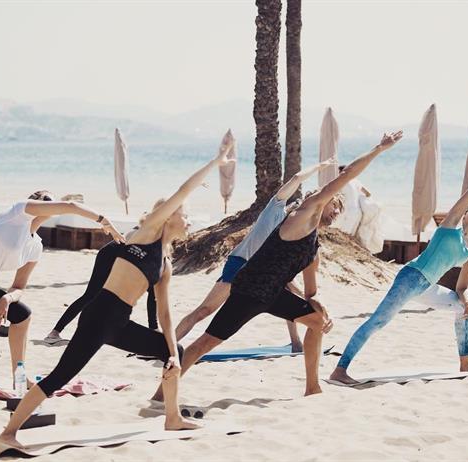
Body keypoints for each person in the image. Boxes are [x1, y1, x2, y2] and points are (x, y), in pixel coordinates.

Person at [0, 140, 234, 446]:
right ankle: (8, 432)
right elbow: (180, 193)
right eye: (184, 214)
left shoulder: (164, 264)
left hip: (120, 321)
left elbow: (164, 313)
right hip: (99, 314)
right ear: (169, 217)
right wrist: (215, 163)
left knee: (171, 354)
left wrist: (174, 352)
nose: (187, 220)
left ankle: (172, 418)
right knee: (61, 376)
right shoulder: (147, 233)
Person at [163, 130, 403, 399]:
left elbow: (311, 292)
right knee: (207, 342)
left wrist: (319, 306)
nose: (337, 212)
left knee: (316, 322)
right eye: (335, 205)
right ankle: (162, 392)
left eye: (340, 210)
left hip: (274, 295)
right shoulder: (304, 213)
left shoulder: (313, 249)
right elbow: (346, 177)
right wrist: (379, 149)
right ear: (320, 201)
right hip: (249, 290)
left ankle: (313, 387)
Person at [330, 155, 468, 385]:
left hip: (427, 286)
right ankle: (340, 369)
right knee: (379, 321)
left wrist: (467, 301)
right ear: (464, 215)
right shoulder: (448, 228)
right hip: (410, 277)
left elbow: (462, 286)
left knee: (460, 309)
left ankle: (465, 362)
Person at [0, 191, 123, 383]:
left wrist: (6, 298)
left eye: (52, 203)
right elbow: (71, 206)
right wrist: (104, 221)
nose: (50, 206)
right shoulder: (18, 212)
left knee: (21, 315)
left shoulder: (35, 246)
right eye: (46, 201)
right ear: (35, 202)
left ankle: (19, 377)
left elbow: (19, 286)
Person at [174, 159, 337, 351]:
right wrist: (320, 167)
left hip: (261, 273)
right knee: (205, 310)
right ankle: (167, 345)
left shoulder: (296, 234)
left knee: (287, 295)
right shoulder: (276, 208)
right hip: (240, 264)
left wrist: (307, 297)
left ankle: (295, 343)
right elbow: (296, 178)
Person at [44, 214, 163, 345]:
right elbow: (128, 241)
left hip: (125, 259)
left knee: (154, 291)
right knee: (90, 295)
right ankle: (54, 333)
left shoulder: (161, 237)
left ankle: (153, 329)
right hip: (110, 255)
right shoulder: (146, 231)